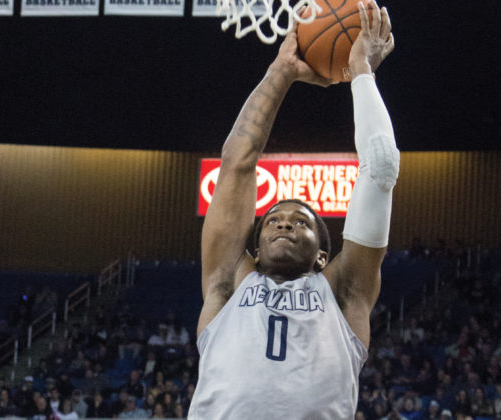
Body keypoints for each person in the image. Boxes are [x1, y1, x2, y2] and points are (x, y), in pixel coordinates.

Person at [188, 1, 397, 419]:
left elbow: (381, 164)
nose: (283, 222)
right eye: (273, 221)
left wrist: (361, 72)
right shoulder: (227, 284)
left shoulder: (343, 293)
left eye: (301, 222)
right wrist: (281, 71)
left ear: (323, 254)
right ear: (257, 246)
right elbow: (237, 162)